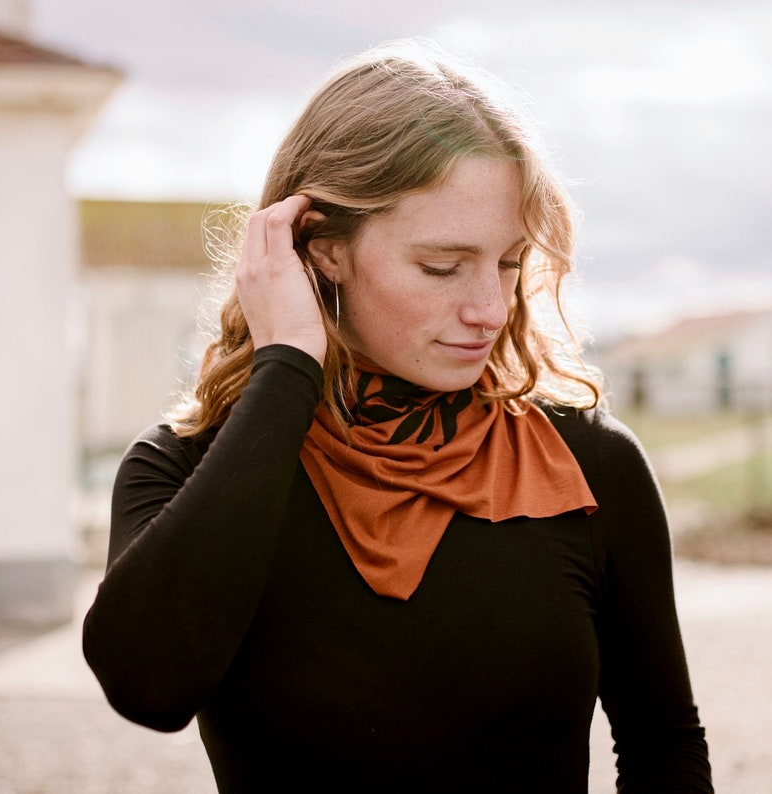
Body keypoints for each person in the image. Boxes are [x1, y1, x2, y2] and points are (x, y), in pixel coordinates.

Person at [82, 39, 713, 793]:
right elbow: (148, 689)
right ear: (321, 251)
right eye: (442, 267)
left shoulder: (588, 462)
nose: (489, 308)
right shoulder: (186, 468)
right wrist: (288, 367)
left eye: (508, 263)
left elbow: (664, 747)